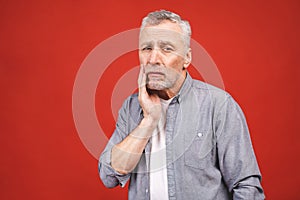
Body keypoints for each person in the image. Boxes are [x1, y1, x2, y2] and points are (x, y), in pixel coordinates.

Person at [98, 10, 265, 200]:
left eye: (166, 49)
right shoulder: (131, 107)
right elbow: (109, 175)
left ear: (187, 58)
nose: (153, 59)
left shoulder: (218, 106)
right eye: (146, 48)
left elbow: (246, 187)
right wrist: (148, 121)